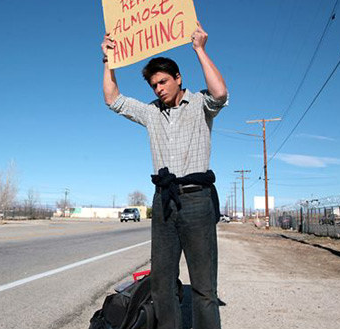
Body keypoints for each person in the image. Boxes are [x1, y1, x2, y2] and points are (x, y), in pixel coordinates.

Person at [101, 21, 228, 329]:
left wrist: (199, 48)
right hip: (164, 202)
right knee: (162, 285)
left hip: (197, 200)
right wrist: (108, 61)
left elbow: (221, 93)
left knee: (203, 288)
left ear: (177, 78)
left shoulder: (199, 103)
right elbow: (112, 99)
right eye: (153, 85)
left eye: (162, 82)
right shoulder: (151, 112)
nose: (158, 88)